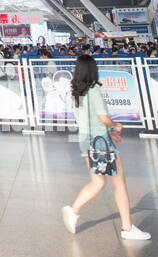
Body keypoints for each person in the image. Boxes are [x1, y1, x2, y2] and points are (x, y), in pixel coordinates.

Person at [61, 54, 149, 240]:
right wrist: (115, 126)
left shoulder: (76, 92)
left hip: (86, 141)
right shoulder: (93, 90)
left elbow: (88, 120)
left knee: (98, 182)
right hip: (101, 142)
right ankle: (127, 227)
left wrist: (110, 132)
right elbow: (102, 118)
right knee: (119, 184)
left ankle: (73, 209)